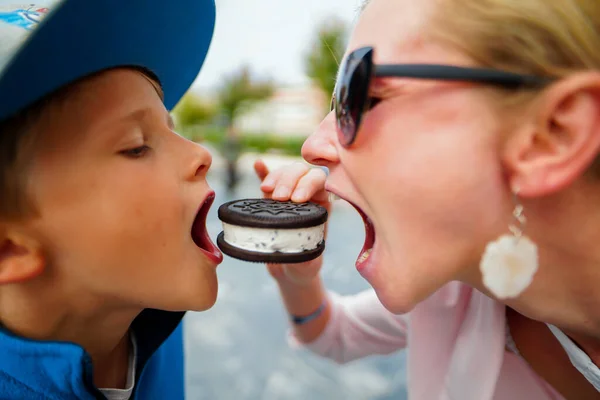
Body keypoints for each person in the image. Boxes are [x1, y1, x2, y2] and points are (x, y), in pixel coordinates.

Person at [255, 0, 600, 398]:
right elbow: (332, 335)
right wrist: (299, 278)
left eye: (361, 98)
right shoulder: (457, 289)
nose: (312, 146)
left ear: (553, 134)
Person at [0, 1, 222, 399]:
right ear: (9, 248)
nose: (200, 154)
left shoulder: (148, 301)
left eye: (171, 127)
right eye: (137, 146)